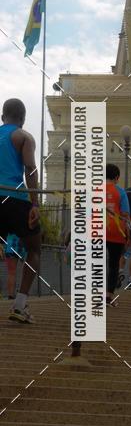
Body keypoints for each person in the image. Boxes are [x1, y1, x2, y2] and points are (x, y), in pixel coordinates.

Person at [0, 99, 41, 323]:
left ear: (2, 116)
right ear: (23, 119)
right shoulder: (23, 137)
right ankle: (19, 305)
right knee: (34, 249)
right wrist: (35, 204)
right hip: (15, 200)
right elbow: (30, 168)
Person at [105, 164, 130, 306]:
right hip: (116, 231)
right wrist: (128, 235)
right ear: (116, 178)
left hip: (96, 231)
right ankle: (109, 296)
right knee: (114, 265)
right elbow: (125, 214)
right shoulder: (120, 191)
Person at [3, 233, 23, 299]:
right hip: (17, 245)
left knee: (11, 272)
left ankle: (11, 294)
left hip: (8, 246)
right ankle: (16, 294)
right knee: (14, 272)